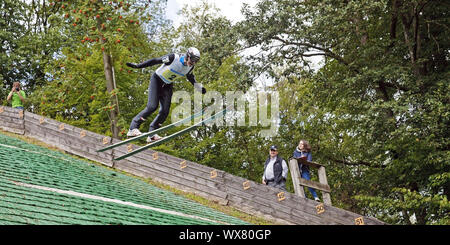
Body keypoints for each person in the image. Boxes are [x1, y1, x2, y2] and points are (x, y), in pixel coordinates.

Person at [125, 47, 207, 142]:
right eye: (192, 60)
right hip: (157, 80)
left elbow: (191, 77)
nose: (193, 63)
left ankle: (152, 134)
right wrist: (138, 66)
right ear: (187, 56)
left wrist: (198, 87)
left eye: (195, 61)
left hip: (167, 85)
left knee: (165, 111)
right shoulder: (173, 58)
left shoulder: (190, 67)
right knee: (152, 106)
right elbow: (155, 61)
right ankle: (133, 128)